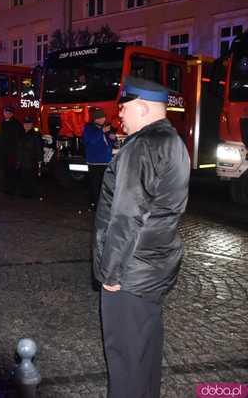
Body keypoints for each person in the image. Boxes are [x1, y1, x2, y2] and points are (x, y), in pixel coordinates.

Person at [93, 77, 190, 398]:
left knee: (125, 358)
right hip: (155, 265)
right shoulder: (174, 142)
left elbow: (125, 216)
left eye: (125, 107)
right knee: (145, 350)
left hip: (130, 271)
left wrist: (110, 273)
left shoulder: (142, 146)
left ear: (144, 107)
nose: (119, 114)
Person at [82, 107, 116, 208]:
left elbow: (107, 143)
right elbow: (91, 140)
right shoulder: (89, 128)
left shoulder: (104, 127)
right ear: (95, 119)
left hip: (106, 161)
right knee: (95, 185)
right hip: (94, 162)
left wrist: (112, 139)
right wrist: (102, 131)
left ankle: (103, 204)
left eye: (104, 117)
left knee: (104, 185)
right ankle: (94, 204)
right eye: (101, 118)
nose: (103, 119)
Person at [0, 106, 24, 195]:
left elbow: (18, 139)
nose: (6, 114)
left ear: (12, 114)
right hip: (3, 151)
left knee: (11, 170)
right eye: (5, 112)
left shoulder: (16, 124)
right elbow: (0, 137)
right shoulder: (2, 123)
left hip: (12, 152)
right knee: (4, 170)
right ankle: (5, 188)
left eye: (8, 113)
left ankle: (11, 189)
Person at [17, 116, 44, 198]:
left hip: (31, 159)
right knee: (23, 177)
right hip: (22, 159)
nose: (27, 125)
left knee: (31, 177)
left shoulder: (35, 135)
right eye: (25, 124)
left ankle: (31, 194)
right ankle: (25, 193)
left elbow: (39, 148)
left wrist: (40, 160)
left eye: (29, 124)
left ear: (32, 125)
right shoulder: (21, 134)